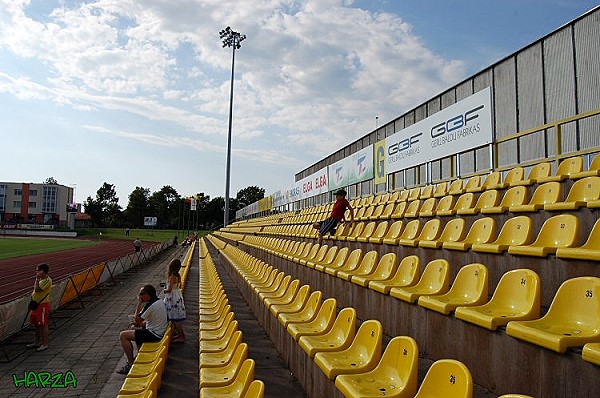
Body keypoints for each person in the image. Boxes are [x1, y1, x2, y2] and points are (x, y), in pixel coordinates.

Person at [117, 284, 168, 374]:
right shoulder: (159, 301)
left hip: (154, 334)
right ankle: (139, 353)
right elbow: (144, 322)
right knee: (135, 329)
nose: (139, 296)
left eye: (141, 294)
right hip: (159, 331)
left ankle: (130, 363)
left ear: (147, 295)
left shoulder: (149, 305)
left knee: (123, 335)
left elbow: (137, 321)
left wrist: (139, 304)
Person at [27, 263, 52, 352]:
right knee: (36, 324)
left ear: (43, 271)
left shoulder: (46, 280)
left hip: (42, 305)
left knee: (43, 324)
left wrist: (37, 279)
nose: (36, 272)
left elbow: (37, 289)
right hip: (36, 304)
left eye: (38, 270)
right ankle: (36, 342)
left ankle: (45, 344)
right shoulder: (41, 279)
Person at [163, 258, 186, 343]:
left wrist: (164, 290)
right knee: (175, 317)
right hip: (177, 296)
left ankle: (181, 336)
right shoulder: (178, 275)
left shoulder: (172, 276)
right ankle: (180, 335)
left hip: (172, 297)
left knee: (175, 318)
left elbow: (169, 289)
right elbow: (179, 286)